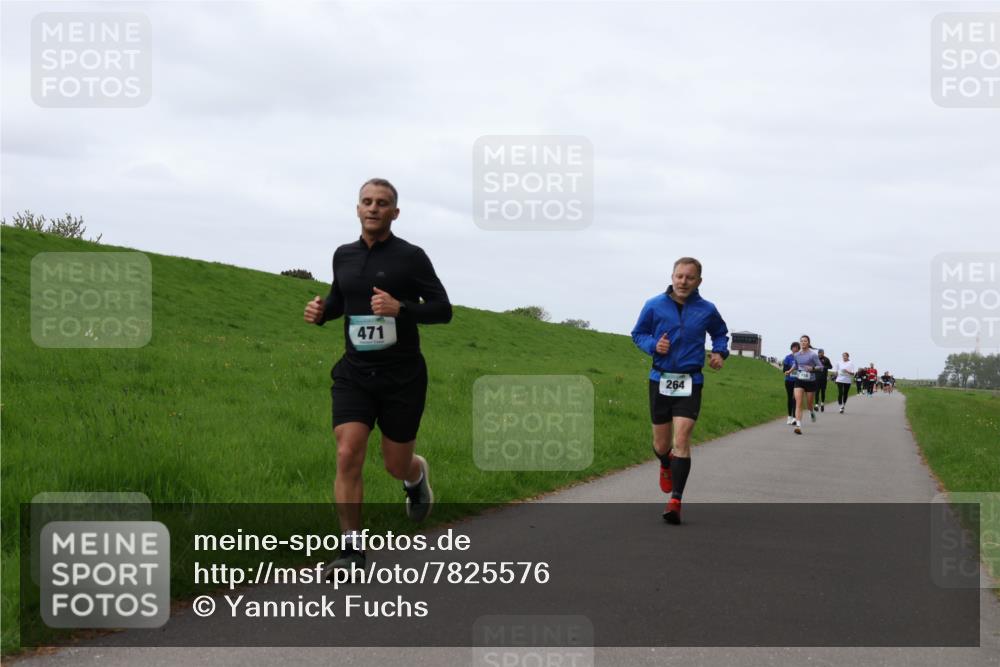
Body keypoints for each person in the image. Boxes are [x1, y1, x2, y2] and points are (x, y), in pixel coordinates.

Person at [303, 178, 452, 574]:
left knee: (394, 464)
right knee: (348, 450)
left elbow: (442, 309)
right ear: (357, 209)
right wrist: (322, 313)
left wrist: (400, 308)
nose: (373, 208)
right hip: (355, 372)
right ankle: (352, 551)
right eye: (366, 202)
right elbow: (340, 300)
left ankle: (415, 475)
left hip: (402, 376)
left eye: (382, 203)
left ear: (395, 213)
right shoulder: (343, 255)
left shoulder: (412, 257)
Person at [632, 257, 729, 525]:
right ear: (672, 276)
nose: (683, 281)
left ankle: (675, 500)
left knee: (682, 440)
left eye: (689, 277)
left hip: (690, 381)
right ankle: (665, 463)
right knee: (662, 445)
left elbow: (721, 334)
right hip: (660, 379)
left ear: (699, 281)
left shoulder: (707, 309)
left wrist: (719, 353)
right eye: (679, 276)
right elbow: (638, 333)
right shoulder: (654, 305)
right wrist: (654, 346)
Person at [788, 335, 822, 435]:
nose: (803, 343)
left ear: (808, 343)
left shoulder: (813, 355)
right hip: (799, 380)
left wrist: (812, 368)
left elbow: (821, 367)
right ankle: (798, 426)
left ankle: (811, 412)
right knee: (798, 402)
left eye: (805, 341)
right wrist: (789, 371)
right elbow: (796, 365)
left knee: (809, 405)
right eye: (801, 341)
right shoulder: (797, 354)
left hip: (810, 381)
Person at [781, 342, 801, 425]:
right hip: (789, 380)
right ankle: (789, 417)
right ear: (791, 348)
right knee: (790, 398)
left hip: (797, 381)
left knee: (795, 398)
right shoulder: (788, 358)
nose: (795, 349)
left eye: (796, 347)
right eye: (793, 347)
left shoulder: (801, 357)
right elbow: (784, 369)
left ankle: (794, 417)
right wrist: (791, 369)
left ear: (798, 349)